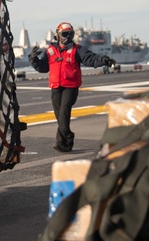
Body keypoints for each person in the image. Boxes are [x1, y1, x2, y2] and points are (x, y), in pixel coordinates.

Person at [29, 22, 115, 152]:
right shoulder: (50, 51)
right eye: (65, 34)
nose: (68, 37)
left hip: (71, 87)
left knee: (63, 113)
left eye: (70, 34)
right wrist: (34, 59)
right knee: (60, 116)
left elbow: (91, 58)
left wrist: (105, 60)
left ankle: (65, 142)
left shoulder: (77, 50)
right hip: (56, 87)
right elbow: (43, 68)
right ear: (57, 35)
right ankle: (64, 142)